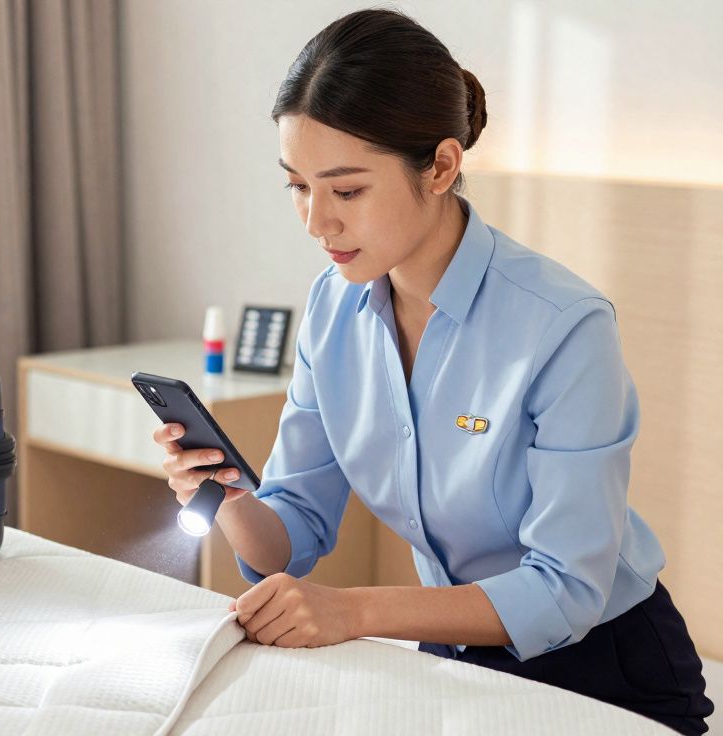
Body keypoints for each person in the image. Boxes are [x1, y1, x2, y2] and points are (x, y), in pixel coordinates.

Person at [153, 9, 713, 734]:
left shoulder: (562, 325)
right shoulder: (334, 308)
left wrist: (353, 610)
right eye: (298, 186)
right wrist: (222, 493)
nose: (317, 222)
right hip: (454, 651)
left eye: (346, 191)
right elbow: (291, 531)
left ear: (442, 166)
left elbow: (567, 589)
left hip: (607, 667)